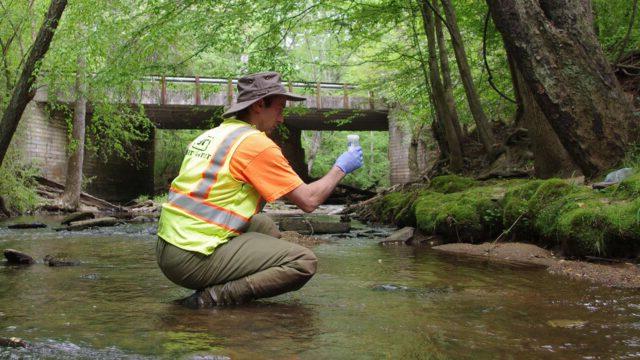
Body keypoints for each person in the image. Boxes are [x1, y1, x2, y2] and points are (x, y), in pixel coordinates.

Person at [156, 71, 363, 307]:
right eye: (279, 109)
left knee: (263, 224)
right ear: (258, 105)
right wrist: (341, 167)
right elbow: (309, 200)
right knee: (303, 262)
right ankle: (210, 299)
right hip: (190, 257)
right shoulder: (255, 144)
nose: (282, 118)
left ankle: (228, 283)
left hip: (168, 247)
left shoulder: (212, 135)